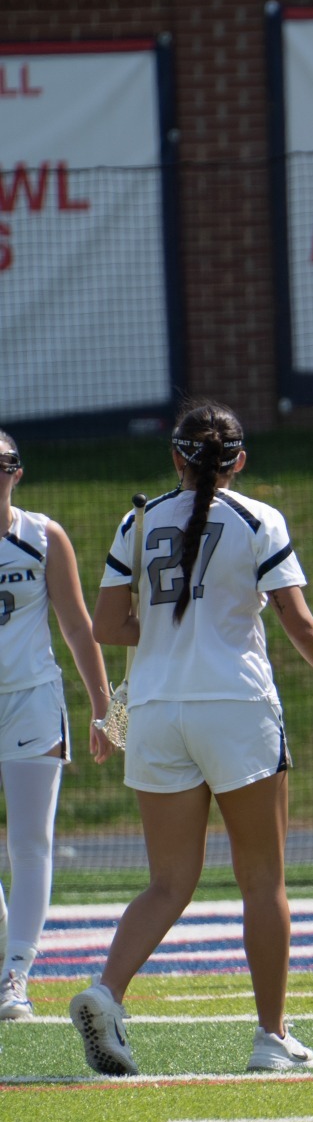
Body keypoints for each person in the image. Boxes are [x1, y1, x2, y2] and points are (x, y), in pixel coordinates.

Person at [72, 401, 313, 1076]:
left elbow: (108, 627)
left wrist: (165, 636)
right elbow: (299, 622)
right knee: (262, 880)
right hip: (235, 707)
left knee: (168, 882)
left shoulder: (137, 520)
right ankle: (271, 1036)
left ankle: (106, 992)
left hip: (155, 713)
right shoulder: (259, 519)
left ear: (175, 458)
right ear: (239, 461)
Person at [0, 431, 114, 1021]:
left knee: (30, 842)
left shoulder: (43, 536)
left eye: (2, 464)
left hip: (32, 703)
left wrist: (108, 710)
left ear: (17, 472)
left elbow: (77, 625)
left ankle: (14, 975)